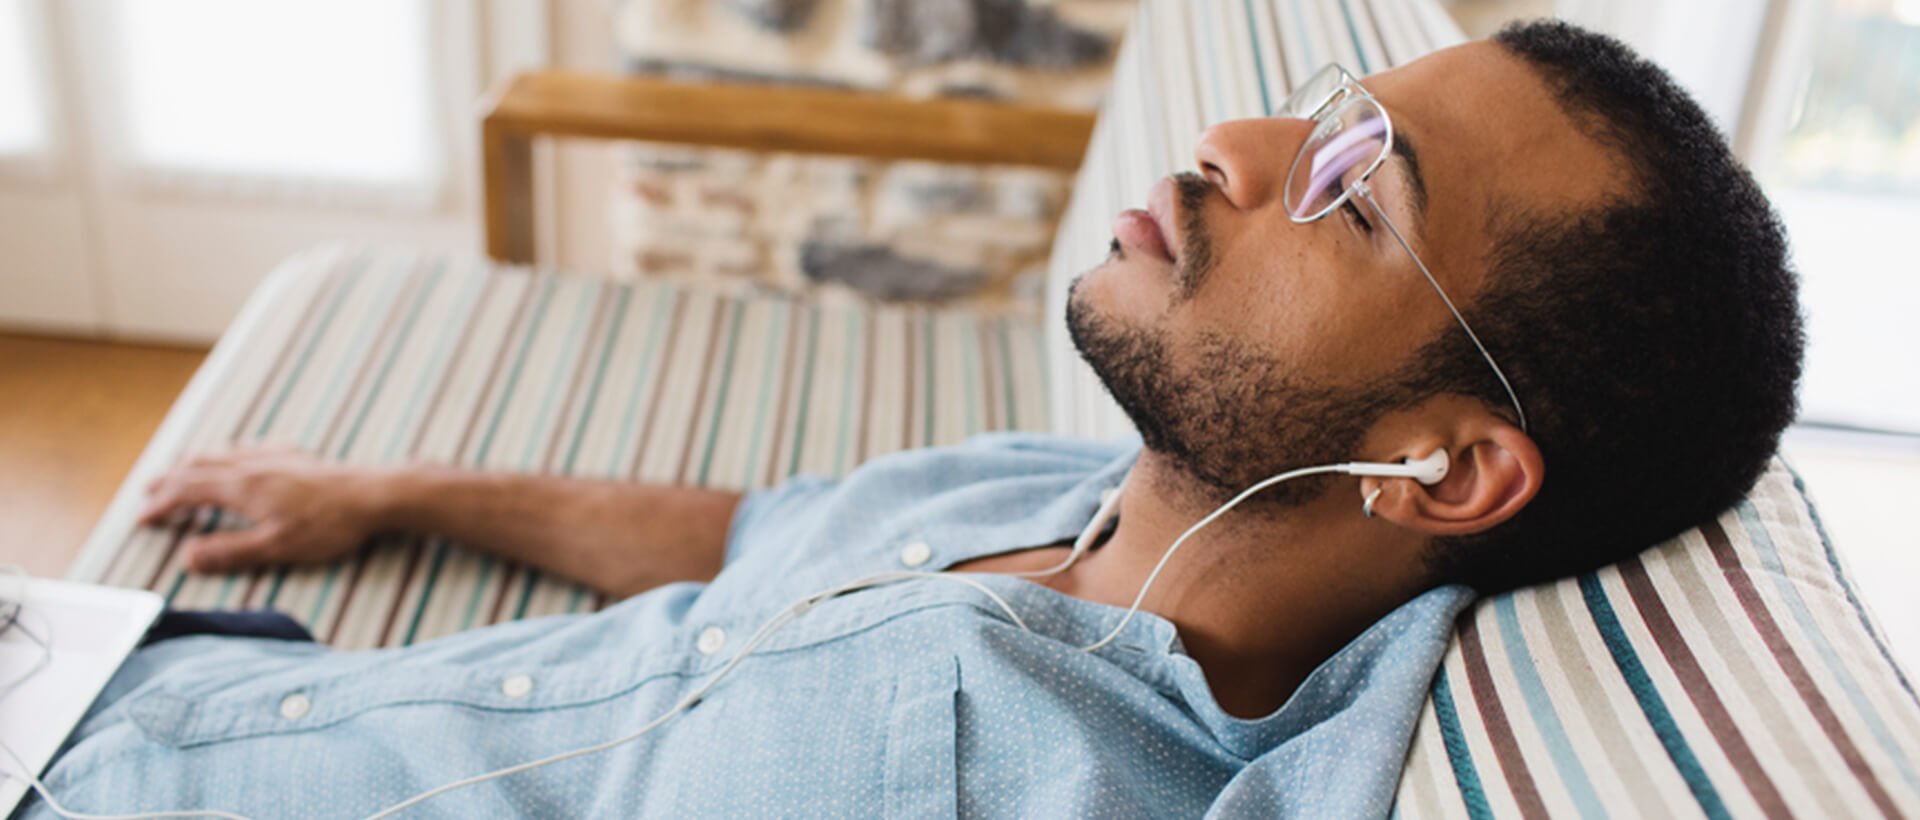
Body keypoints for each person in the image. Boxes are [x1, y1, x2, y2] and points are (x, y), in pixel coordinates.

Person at [18, 20, 1800, 818]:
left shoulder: (1066, 775)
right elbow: (747, 533)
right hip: (176, 671)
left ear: (1446, 467)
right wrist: (386, 486)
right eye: (1320, 105)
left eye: (1356, 186)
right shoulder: (1113, 490)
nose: (1241, 146)